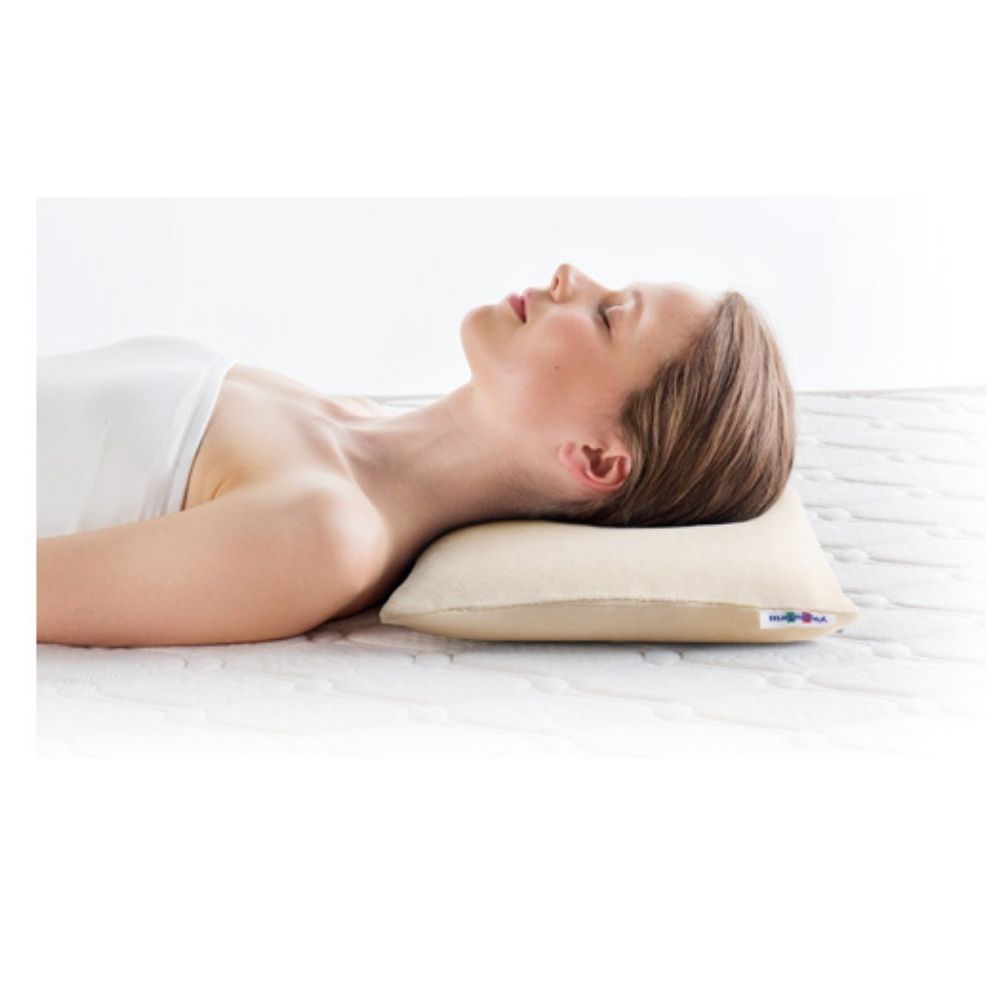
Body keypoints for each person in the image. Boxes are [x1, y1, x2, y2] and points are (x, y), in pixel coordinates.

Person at [36, 262, 796, 647]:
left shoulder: (326, 534)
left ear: (597, 459)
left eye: (607, 316)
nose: (571, 275)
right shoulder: (345, 416)